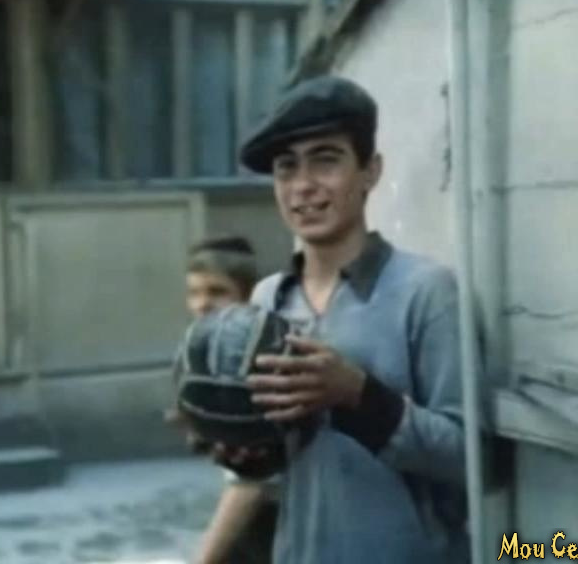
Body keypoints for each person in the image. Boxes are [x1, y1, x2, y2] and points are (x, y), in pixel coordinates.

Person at [215, 76, 469, 563]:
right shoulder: (269, 298)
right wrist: (244, 449)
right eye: (286, 167)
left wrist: (358, 395)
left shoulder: (425, 290)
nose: (303, 185)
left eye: (326, 159)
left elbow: (473, 459)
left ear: (371, 171)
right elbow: (282, 463)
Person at [169, 235, 278, 564]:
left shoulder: (255, 362)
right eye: (194, 292)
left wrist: (204, 558)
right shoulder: (206, 352)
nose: (202, 304)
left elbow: (252, 483)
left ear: (247, 295)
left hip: (277, 522)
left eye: (217, 292)